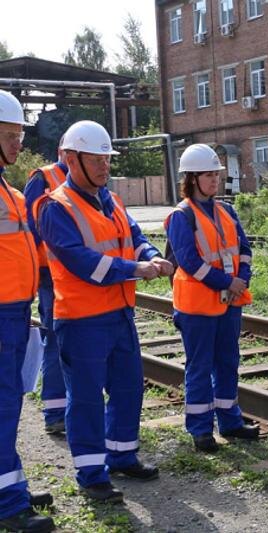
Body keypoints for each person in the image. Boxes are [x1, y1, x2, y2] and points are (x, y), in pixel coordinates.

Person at [36, 120, 172, 503]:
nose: (103, 166)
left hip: (119, 314)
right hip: (81, 321)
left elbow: (135, 238)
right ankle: (92, 474)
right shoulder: (54, 207)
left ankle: (122, 455)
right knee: (87, 398)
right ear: (69, 159)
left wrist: (152, 256)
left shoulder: (112, 201)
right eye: (95, 159)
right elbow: (82, 263)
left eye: (106, 159)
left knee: (129, 388)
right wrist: (134, 269)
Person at [164, 144, 259, 453]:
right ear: (191, 179)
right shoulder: (182, 215)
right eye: (208, 175)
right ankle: (201, 429)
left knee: (228, 363)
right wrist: (228, 281)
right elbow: (189, 262)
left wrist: (241, 279)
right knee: (200, 367)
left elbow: (244, 249)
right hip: (197, 306)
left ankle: (230, 422)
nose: (215, 180)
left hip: (229, 301)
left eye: (217, 174)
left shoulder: (227, 210)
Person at [0, 89, 55, 532]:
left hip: (14, 313)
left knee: (9, 406)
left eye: (19, 134)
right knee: (1, 407)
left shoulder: (12, 193)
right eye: (9, 134)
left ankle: (10, 485)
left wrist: (25, 307)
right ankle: (7, 504)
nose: (18, 143)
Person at [24, 138, 68, 436]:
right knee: (56, 337)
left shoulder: (91, 177)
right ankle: (54, 412)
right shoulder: (44, 178)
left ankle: (68, 408)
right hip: (51, 273)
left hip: (77, 273)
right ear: (61, 152)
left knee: (73, 340)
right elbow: (28, 224)